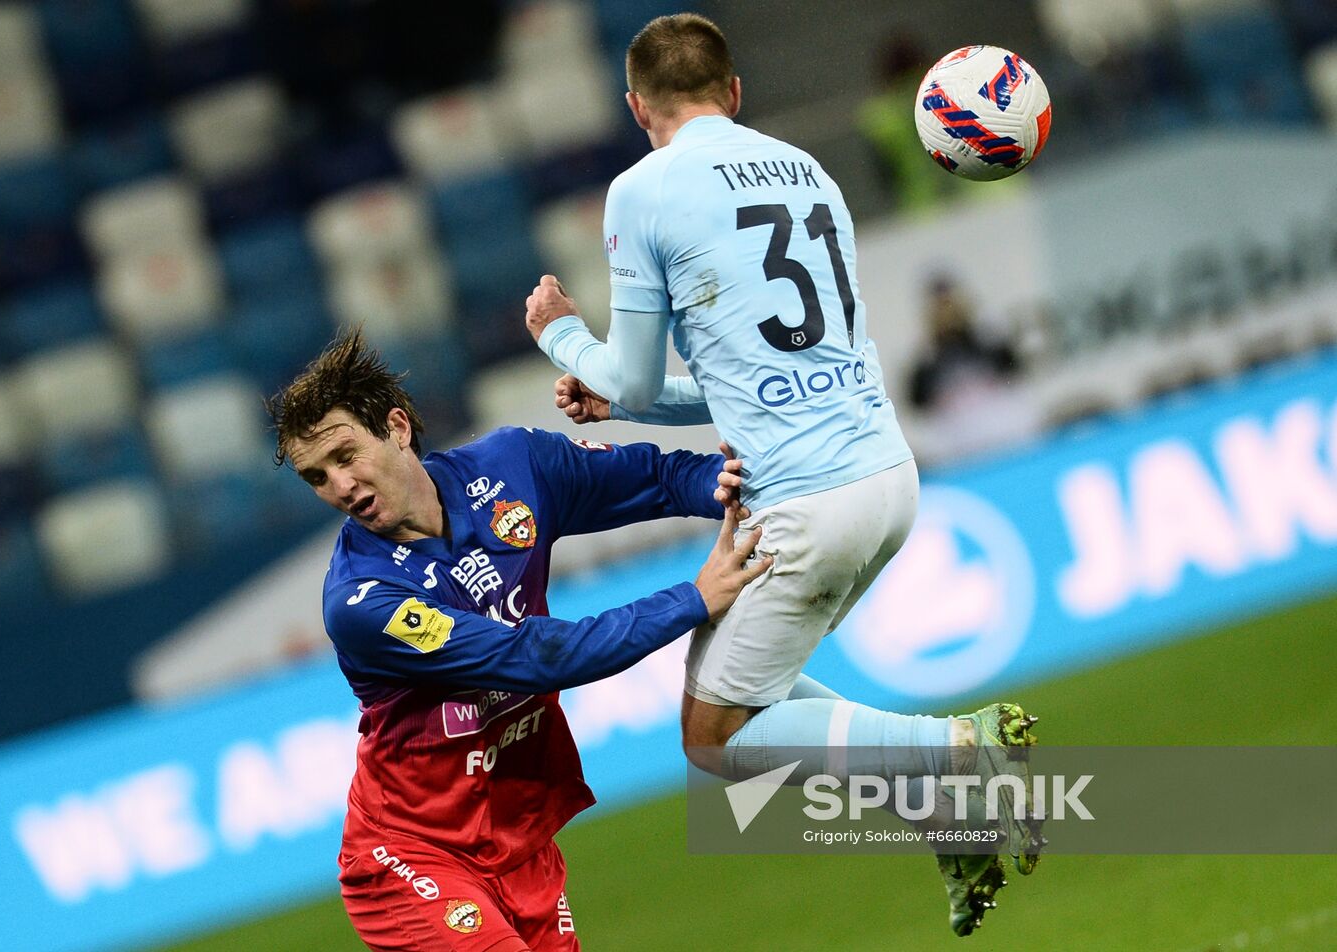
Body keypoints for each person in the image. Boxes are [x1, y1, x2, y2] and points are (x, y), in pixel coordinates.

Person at [522, 13, 1042, 937]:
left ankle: (954, 752)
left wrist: (561, 335)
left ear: (636, 106)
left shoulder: (642, 190)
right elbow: (739, 380)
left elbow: (629, 376)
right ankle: (946, 816)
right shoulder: (807, 171)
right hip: (886, 478)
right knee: (749, 700)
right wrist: (626, 398)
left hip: (802, 503)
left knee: (712, 739)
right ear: (734, 91)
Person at [268, 328, 771, 952]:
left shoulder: (512, 467)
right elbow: (532, 656)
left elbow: (662, 478)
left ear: (396, 427)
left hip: (517, 841)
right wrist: (694, 598)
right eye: (317, 476)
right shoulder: (361, 601)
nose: (340, 486)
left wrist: (751, 497)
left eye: (346, 455)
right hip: (410, 854)